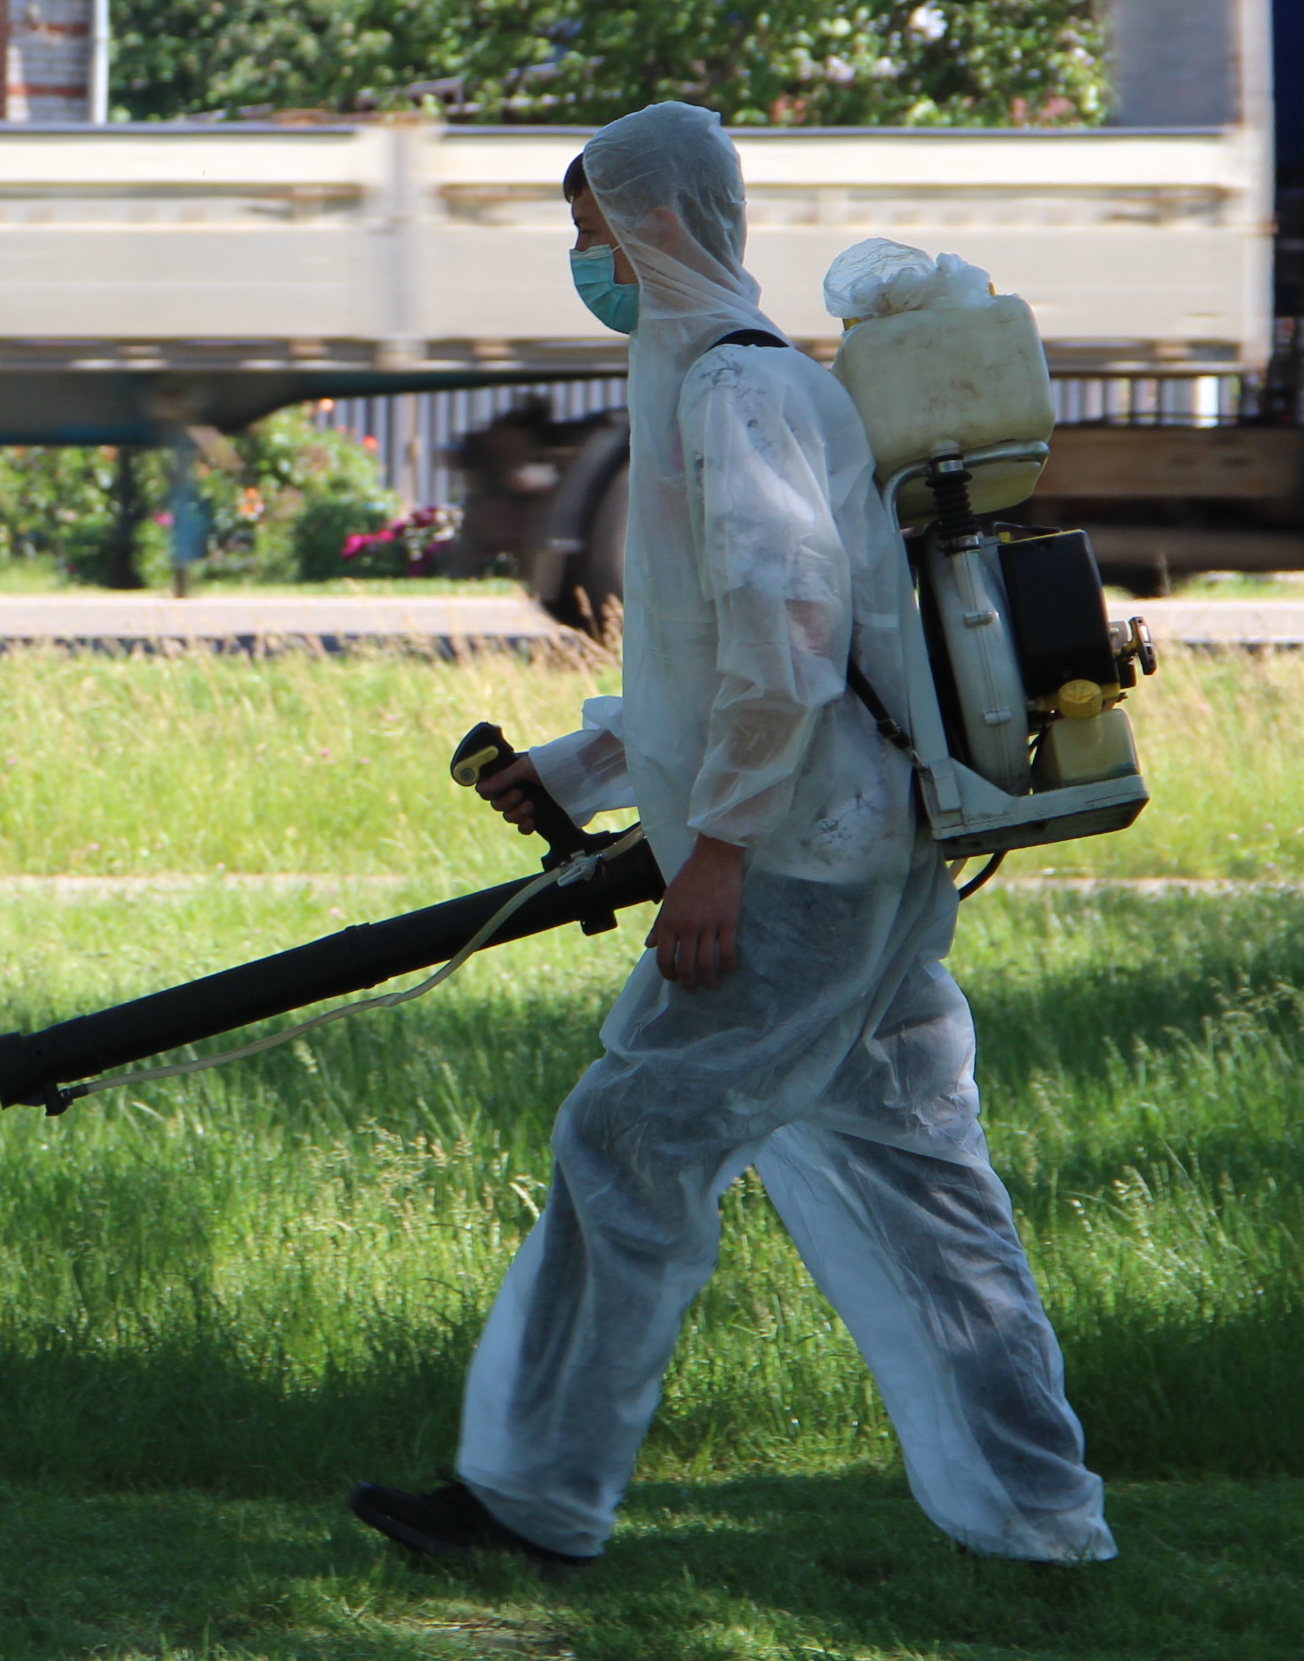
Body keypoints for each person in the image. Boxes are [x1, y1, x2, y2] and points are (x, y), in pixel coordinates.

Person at [346, 102, 1113, 1576]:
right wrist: (584, 770)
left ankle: (533, 1501)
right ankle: (1040, 1517)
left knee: (629, 1137)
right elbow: (730, 671)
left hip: (804, 869)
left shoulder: (736, 395)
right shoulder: (734, 385)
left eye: (590, 234)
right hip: (848, 849)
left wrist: (717, 858)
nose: (585, 264)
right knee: (918, 1180)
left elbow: (792, 642)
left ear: (660, 228)